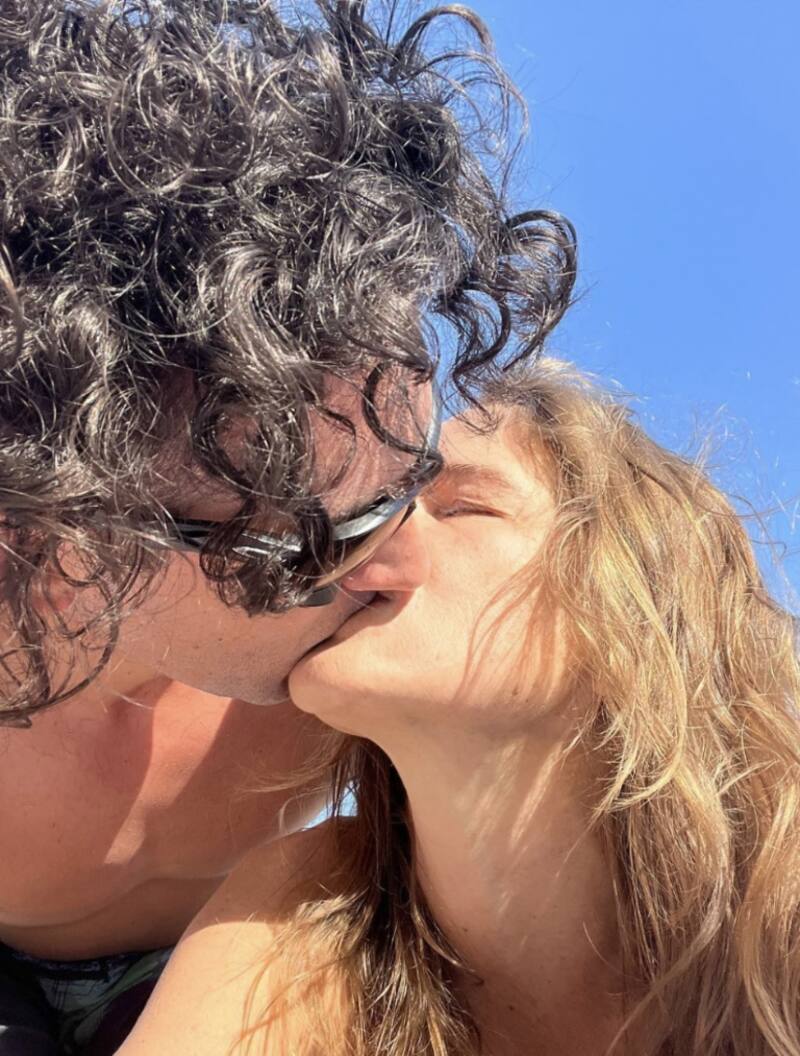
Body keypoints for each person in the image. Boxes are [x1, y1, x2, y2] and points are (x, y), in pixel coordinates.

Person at [0, 0, 576, 1050]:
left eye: (414, 482)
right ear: (71, 529)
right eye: (311, 546)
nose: (401, 560)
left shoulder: (374, 672)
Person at [116, 359, 800, 1056]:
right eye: (367, 506)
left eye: (461, 506)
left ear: (632, 598)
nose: (354, 541)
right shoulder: (308, 904)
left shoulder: (783, 916)